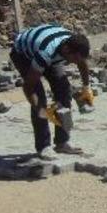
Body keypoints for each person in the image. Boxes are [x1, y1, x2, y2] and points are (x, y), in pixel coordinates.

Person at [10, 24, 93, 158]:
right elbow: (28, 87)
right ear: (67, 50)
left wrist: (86, 88)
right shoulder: (46, 52)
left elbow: (82, 63)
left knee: (64, 91)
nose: (75, 63)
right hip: (23, 54)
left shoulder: (74, 46)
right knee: (39, 98)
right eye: (74, 59)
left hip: (49, 52)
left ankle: (61, 142)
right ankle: (43, 147)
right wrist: (40, 109)